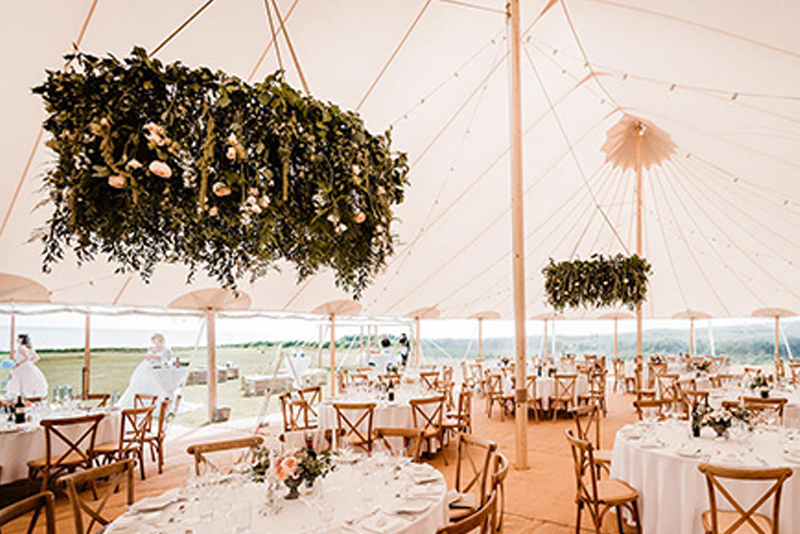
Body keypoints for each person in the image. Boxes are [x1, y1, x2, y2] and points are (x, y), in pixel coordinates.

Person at [117, 333, 173, 408]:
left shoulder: (166, 350)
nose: (154, 342)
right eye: (153, 341)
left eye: (156, 340)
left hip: (156, 367)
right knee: (139, 383)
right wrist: (149, 357)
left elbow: (165, 359)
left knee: (154, 384)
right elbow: (147, 356)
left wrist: (153, 357)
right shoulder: (151, 348)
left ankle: (154, 402)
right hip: (146, 366)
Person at [6, 334, 49, 399]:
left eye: (18, 338)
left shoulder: (21, 347)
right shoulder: (29, 348)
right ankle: (30, 395)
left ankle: (16, 396)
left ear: (22, 339)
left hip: (22, 366)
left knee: (17, 380)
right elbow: (37, 357)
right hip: (29, 366)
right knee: (30, 381)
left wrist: (18, 364)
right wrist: (30, 363)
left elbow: (26, 357)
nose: (17, 340)